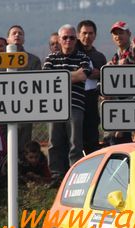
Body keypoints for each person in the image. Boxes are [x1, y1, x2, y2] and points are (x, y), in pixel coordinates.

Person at [43, 24, 92, 183]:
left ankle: (74, 175)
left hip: (75, 105)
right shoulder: (51, 58)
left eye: (72, 37)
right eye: (65, 37)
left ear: (75, 39)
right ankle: (56, 176)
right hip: (54, 107)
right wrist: (72, 75)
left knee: (74, 143)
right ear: (59, 39)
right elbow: (47, 81)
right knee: (54, 142)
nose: (68, 40)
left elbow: (83, 76)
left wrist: (59, 77)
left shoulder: (83, 57)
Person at [77, 20, 107, 155]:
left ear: (95, 35)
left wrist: (99, 74)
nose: (87, 36)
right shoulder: (71, 53)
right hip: (74, 100)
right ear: (78, 34)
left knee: (91, 139)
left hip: (91, 101)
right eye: (84, 33)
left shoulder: (99, 57)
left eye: (90, 33)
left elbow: (105, 79)